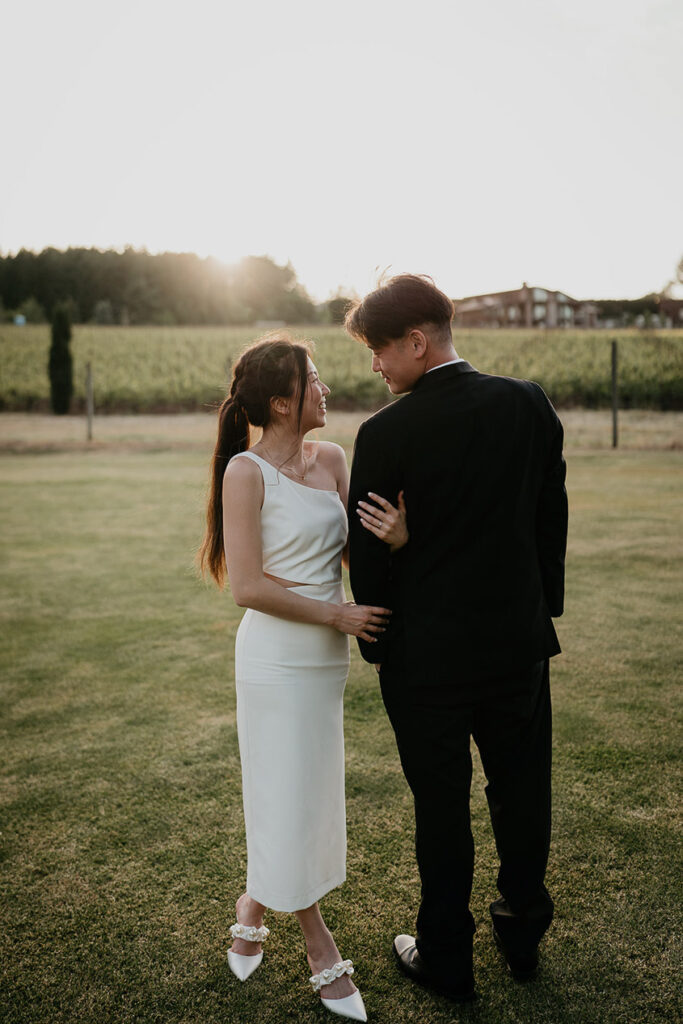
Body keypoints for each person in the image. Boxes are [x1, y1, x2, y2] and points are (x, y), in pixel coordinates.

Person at [346, 275, 568, 1002]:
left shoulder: (384, 433)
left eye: (378, 350)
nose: (375, 366)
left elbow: (372, 552)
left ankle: (445, 957)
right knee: (521, 793)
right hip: (515, 647)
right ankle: (522, 933)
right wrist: (544, 609)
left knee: (440, 811)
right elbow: (547, 516)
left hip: (425, 660)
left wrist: (378, 642)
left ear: (415, 341)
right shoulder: (527, 403)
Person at [198, 335, 406, 1022]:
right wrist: (334, 615)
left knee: (307, 788)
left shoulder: (335, 458)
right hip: (274, 656)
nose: (324, 388)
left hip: (324, 657)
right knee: (282, 786)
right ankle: (318, 944)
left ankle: (252, 901)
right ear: (282, 400)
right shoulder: (245, 473)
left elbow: (355, 551)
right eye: (310, 380)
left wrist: (398, 537)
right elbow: (248, 587)